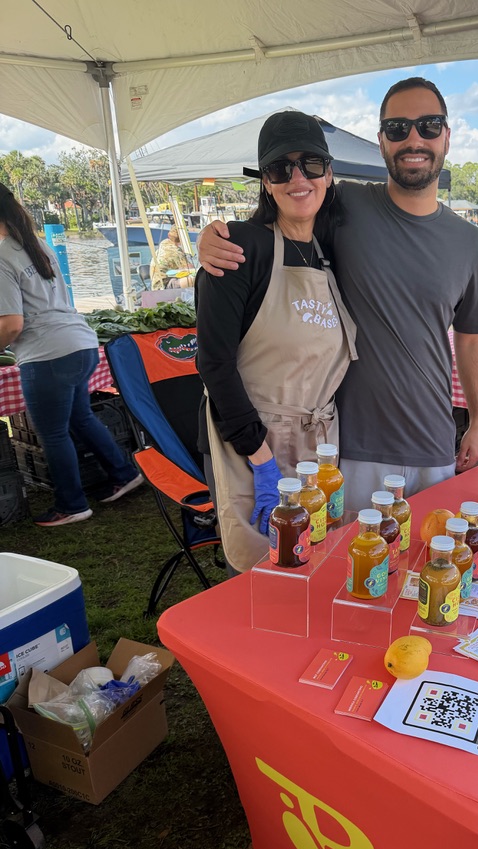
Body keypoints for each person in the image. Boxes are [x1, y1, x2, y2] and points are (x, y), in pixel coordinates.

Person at [198, 77, 478, 511]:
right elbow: (284, 212)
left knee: (429, 561)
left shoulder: (470, 242)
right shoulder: (345, 208)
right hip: (349, 444)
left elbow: (470, 339)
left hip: (433, 437)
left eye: (429, 126)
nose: (414, 138)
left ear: (447, 137)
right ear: (381, 141)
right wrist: (212, 239)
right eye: (397, 128)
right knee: (349, 566)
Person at [195, 111, 358, 573]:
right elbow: (215, 365)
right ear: (266, 182)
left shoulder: (328, 245)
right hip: (250, 443)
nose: (296, 178)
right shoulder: (240, 247)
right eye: (280, 169)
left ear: (328, 173)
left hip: (320, 444)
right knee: (258, 572)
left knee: (318, 562)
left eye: (310, 165)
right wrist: (262, 462)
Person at [0, 182, 143, 525]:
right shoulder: (37, 246)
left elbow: (12, 325)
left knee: (53, 432)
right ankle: (124, 473)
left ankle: (72, 503)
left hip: (47, 353)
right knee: (80, 417)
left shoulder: (2, 256)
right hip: (80, 344)